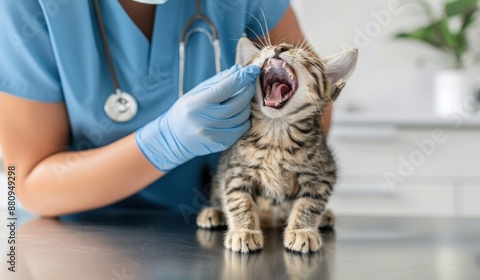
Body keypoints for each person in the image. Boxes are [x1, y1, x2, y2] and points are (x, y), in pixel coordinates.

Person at [0, 0, 332, 219]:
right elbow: (27, 184)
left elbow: (313, 97)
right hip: (74, 244)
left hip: (216, 230)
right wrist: (165, 142)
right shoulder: (27, 7)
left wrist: (269, 195)